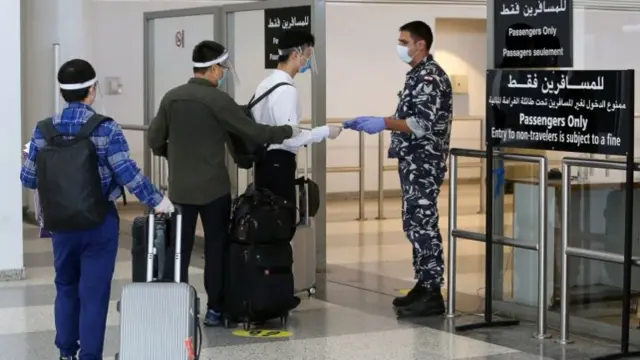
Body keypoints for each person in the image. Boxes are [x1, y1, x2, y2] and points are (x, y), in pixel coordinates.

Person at [20, 59, 174, 360]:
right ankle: (90, 356)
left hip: (61, 223)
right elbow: (126, 173)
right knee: (94, 293)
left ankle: (66, 353)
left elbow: (28, 178)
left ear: (62, 91)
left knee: (65, 286)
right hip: (98, 221)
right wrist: (159, 200)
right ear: (92, 89)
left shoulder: (43, 130)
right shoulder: (105, 128)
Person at [147, 40, 300, 327]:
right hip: (213, 191)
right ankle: (215, 309)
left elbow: (154, 140)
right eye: (223, 68)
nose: (224, 73)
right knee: (215, 250)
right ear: (214, 68)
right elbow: (252, 132)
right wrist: (288, 130)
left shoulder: (172, 98)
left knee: (177, 249)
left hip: (180, 189)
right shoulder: (218, 100)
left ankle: (172, 307)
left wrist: (173, 154)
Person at [343, 21, 453, 317]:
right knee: (414, 223)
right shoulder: (417, 75)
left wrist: (385, 123)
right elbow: (409, 115)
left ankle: (432, 291)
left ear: (421, 44)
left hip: (424, 162)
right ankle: (423, 282)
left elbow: (422, 124)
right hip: (413, 161)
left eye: (404, 42)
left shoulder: (430, 77)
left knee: (424, 224)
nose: (400, 46)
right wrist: (379, 120)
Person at [252, 29, 342, 234]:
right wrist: (324, 131)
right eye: (308, 55)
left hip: (264, 162)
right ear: (295, 55)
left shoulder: (265, 84)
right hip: (278, 163)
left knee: (268, 221)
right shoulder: (286, 90)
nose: (308, 61)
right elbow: (289, 138)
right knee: (281, 222)